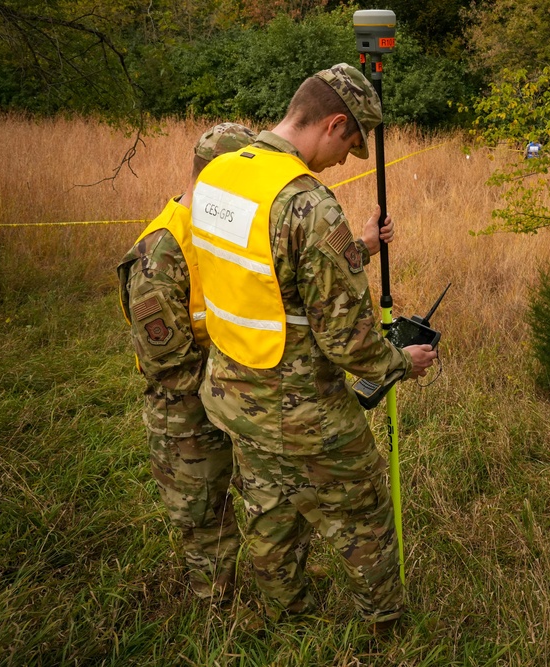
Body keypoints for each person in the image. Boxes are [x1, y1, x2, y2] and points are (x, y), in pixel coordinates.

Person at [190, 64, 438, 631]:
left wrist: (360, 248)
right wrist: (403, 362)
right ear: (332, 124)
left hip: (233, 395)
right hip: (300, 408)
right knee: (363, 512)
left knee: (268, 510)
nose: (344, 161)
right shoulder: (308, 205)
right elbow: (351, 344)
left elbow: (269, 275)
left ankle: (289, 614)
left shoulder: (221, 174)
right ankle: (386, 626)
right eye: (350, 145)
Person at [117, 123, 257, 602]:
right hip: (186, 415)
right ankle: (217, 609)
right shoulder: (160, 253)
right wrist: (234, 392)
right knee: (205, 521)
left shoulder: (224, 228)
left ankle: (265, 587)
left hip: (232, 397)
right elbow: (169, 367)